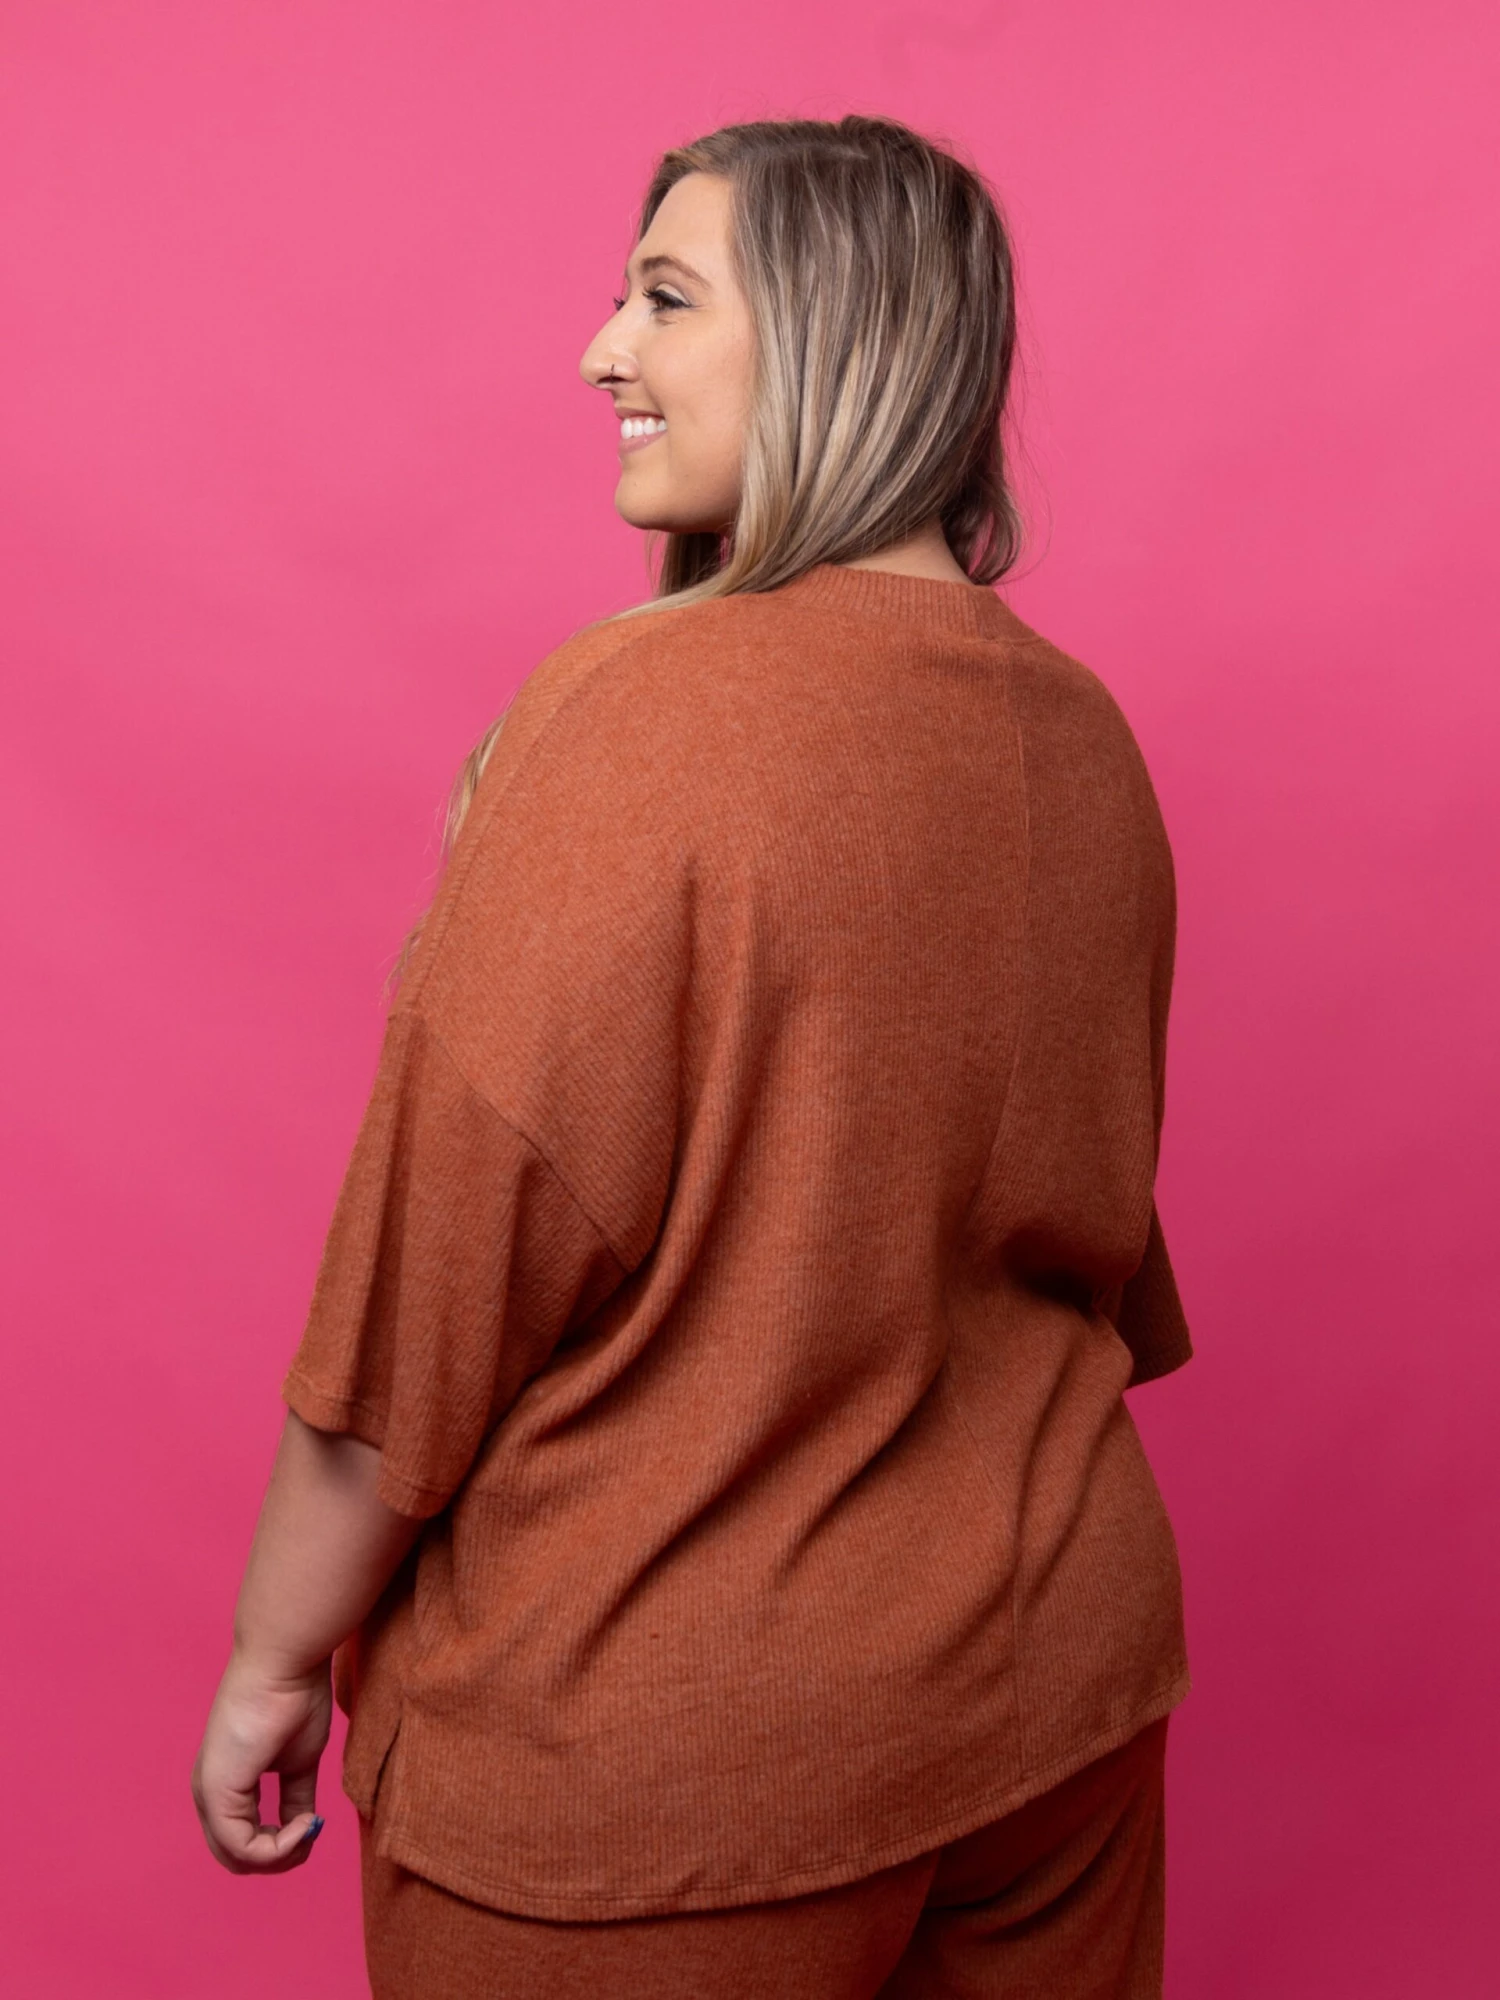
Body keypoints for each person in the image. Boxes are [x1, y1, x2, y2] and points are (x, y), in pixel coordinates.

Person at [192, 114, 1193, 1998]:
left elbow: (430, 1288)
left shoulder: (634, 711)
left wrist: (270, 1658)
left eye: (665, 298)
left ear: (833, 337)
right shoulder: (1086, 741)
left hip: (666, 1755)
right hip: (1051, 1695)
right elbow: (1079, 1234)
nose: (602, 352)